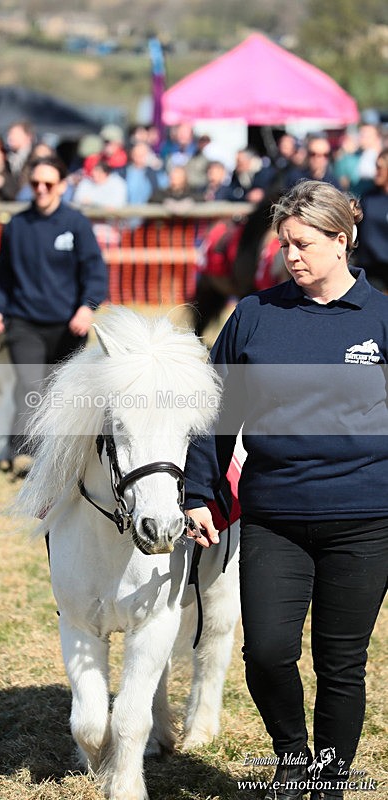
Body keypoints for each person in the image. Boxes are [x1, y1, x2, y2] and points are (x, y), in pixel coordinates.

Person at [184, 180, 388, 800]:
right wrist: (200, 490)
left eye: (303, 244)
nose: (290, 256)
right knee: (267, 653)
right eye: (284, 244)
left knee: (340, 664)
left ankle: (324, 782)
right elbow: (213, 411)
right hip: (274, 515)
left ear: (342, 240)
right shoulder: (254, 316)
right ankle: (292, 756)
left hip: (366, 518)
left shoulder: (382, 318)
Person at [0, 155, 109, 472]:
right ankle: (25, 452)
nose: (41, 189)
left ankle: (53, 454)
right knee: (30, 386)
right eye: (35, 183)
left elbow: (94, 271)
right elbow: (2, 275)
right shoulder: (16, 225)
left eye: (48, 183)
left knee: (59, 391)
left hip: (68, 325)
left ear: (63, 186)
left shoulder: (77, 225)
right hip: (24, 321)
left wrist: (87, 307)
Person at [354, 147, 388, 291]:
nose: (376, 172)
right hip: (371, 271)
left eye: (380, 167)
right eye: (376, 166)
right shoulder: (368, 198)